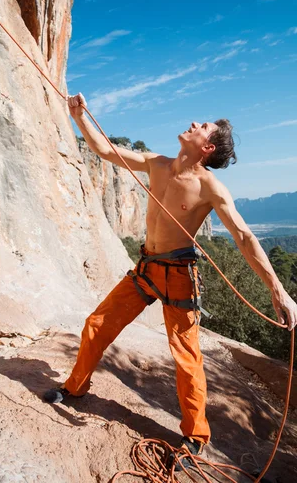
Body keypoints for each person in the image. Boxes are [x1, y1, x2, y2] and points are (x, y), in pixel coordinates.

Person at [44, 92, 297, 462]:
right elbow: (104, 151)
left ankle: (196, 434)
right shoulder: (156, 163)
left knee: (186, 358)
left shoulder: (211, 187)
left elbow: (243, 236)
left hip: (179, 276)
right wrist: (80, 116)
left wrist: (279, 291)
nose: (193, 123)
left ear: (207, 147)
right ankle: (75, 387)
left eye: (202, 126)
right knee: (97, 324)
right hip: (147, 269)